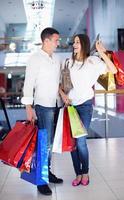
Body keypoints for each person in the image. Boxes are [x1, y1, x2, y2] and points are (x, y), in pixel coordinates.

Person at [59, 34, 117, 186]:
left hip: (85, 106)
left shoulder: (93, 61)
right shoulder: (68, 62)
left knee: (81, 141)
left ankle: (85, 172)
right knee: (73, 142)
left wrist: (101, 51)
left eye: (78, 42)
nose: (74, 44)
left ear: (84, 44)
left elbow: (114, 70)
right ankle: (78, 174)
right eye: (74, 42)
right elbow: (61, 85)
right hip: (70, 106)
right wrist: (63, 95)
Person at [21, 27, 63, 195]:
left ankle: (48, 172)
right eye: (56, 40)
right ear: (46, 41)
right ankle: (41, 180)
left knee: (50, 143)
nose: (58, 43)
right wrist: (28, 107)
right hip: (43, 105)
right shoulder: (35, 59)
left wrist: (63, 96)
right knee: (44, 144)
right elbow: (29, 84)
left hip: (55, 105)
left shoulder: (57, 58)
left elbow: (57, 82)